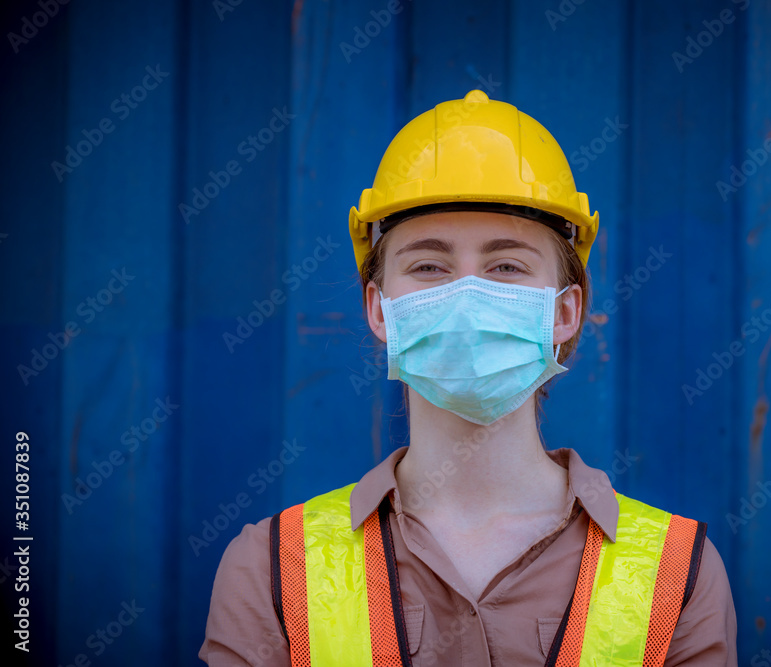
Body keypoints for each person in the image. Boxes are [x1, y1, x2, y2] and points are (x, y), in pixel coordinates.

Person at [200, 90, 737, 666]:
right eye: (429, 266)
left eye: (506, 266)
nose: (465, 296)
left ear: (565, 312)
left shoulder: (678, 574)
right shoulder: (273, 568)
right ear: (380, 309)